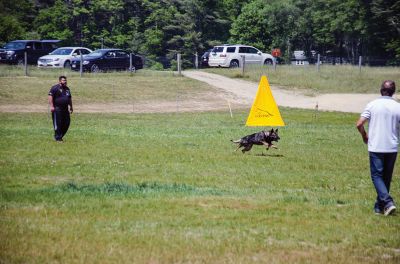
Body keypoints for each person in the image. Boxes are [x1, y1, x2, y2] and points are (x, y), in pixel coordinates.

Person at [356, 80, 400, 216]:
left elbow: (359, 124)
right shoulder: (398, 107)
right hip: (392, 147)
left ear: (381, 90)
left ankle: (387, 202)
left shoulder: (372, 105)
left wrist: (364, 136)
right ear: (393, 92)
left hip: (376, 146)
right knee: (386, 177)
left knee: (376, 176)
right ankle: (379, 208)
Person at [48, 76, 73, 142]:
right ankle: (58, 138)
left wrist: (71, 107)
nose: (65, 81)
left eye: (65, 80)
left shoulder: (67, 89)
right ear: (59, 81)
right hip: (57, 109)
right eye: (63, 80)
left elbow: (69, 98)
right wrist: (52, 106)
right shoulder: (55, 88)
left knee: (67, 123)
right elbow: (50, 96)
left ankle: (59, 136)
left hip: (65, 109)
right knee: (58, 123)